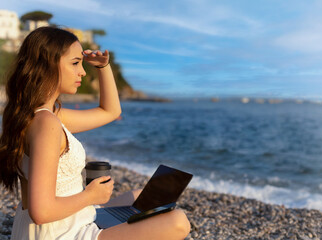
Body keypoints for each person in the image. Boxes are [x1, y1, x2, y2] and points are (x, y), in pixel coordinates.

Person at [0, 26, 190, 240]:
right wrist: (90, 195)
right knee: (178, 222)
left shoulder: (42, 116)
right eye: (74, 63)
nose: (81, 71)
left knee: (145, 197)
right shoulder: (46, 124)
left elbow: (110, 111)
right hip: (62, 233)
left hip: (71, 218)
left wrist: (103, 67)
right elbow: (41, 212)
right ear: (48, 65)